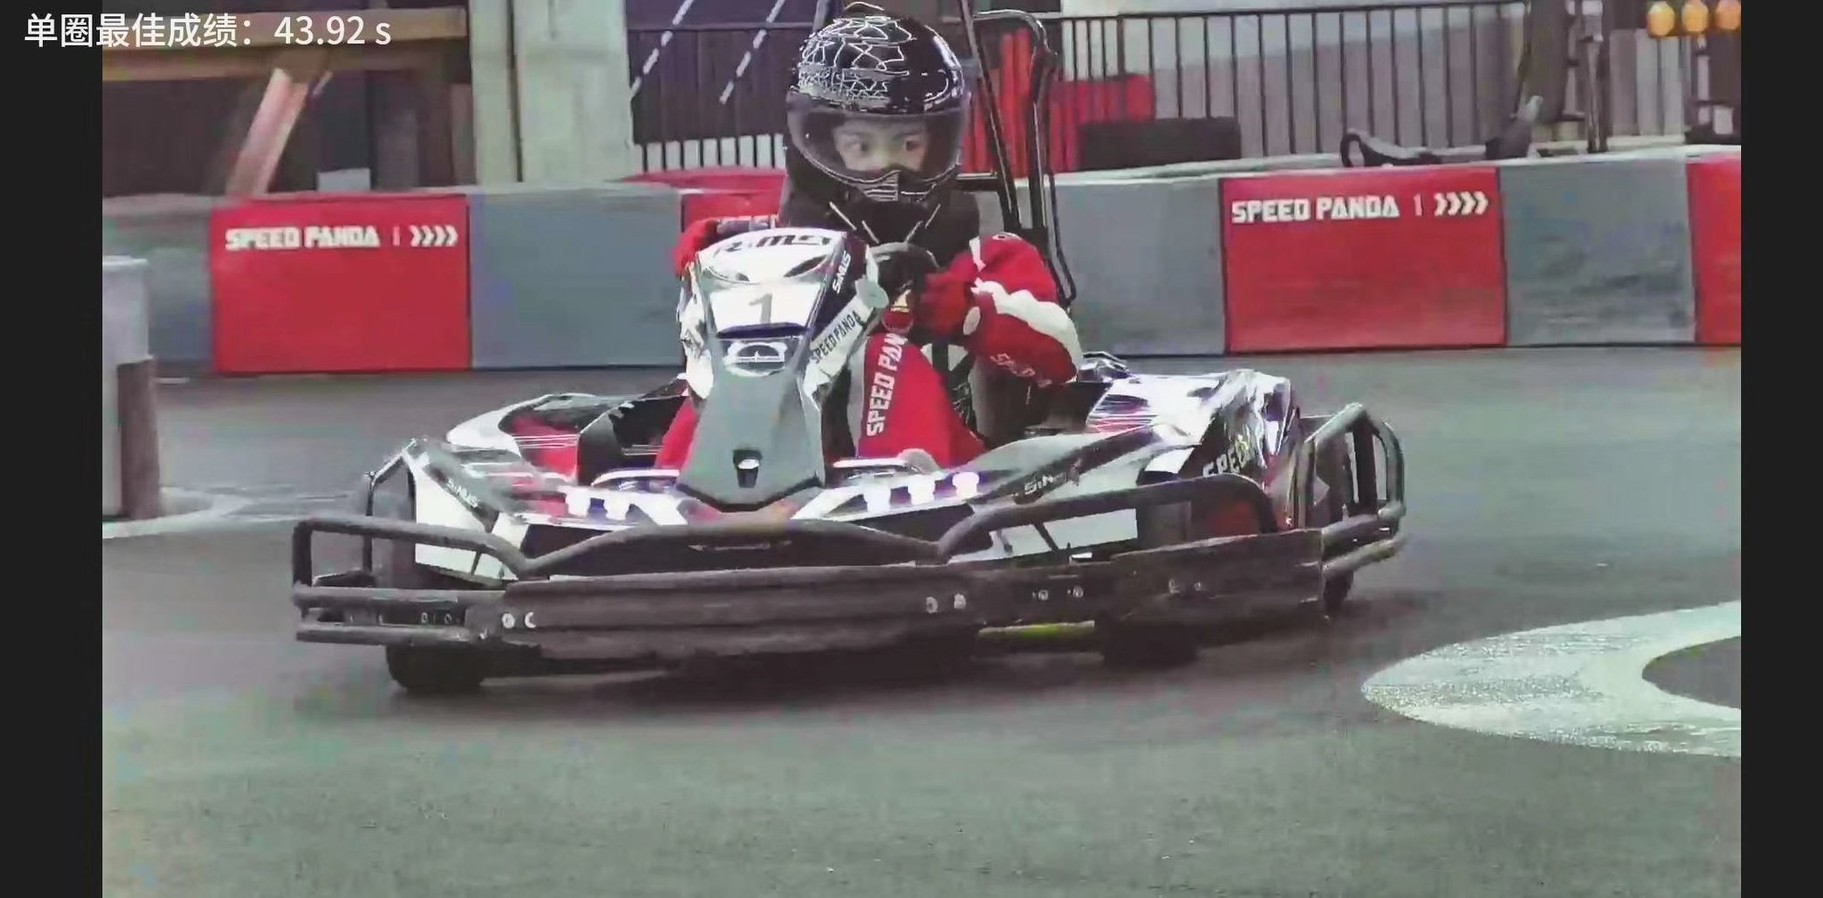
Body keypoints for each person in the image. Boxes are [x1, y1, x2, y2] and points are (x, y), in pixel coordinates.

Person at [655, 1, 1082, 472]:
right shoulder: (780, 249)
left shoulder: (986, 259)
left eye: (908, 144)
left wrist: (967, 313)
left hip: (954, 474)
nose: (887, 166)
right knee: (734, 373)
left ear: (938, 144)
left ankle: (896, 479)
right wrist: (719, 266)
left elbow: (1063, 356)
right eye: (861, 145)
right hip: (788, 470)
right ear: (820, 144)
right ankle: (677, 489)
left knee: (879, 355)